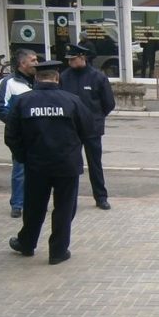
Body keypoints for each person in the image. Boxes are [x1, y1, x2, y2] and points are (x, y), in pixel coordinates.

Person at [5, 60, 90, 265]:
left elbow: (11, 136)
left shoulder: (23, 102)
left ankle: (27, 243)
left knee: (34, 206)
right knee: (64, 208)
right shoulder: (72, 101)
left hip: (36, 164)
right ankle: (58, 251)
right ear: (57, 77)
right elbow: (88, 131)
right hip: (66, 164)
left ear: (36, 78)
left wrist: (23, 157)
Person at [60, 43, 115, 210]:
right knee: (70, 165)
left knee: (95, 164)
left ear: (82, 58)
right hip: (71, 129)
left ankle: (101, 197)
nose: (70, 62)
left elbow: (108, 103)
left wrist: (95, 118)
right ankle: (68, 198)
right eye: (68, 59)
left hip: (92, 129)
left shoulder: (97, 77)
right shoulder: (64, 77)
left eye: (73, 59)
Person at [0, 49, 38, 218]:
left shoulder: (38, 80)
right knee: (20, 169)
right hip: (20, 136)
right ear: (22, 63)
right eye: (33, 60)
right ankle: (18, 204)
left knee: (39, 170)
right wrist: (18, 126)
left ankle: (35, 202)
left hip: (39, 134)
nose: (36, 63)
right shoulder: (8, 83)